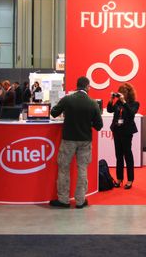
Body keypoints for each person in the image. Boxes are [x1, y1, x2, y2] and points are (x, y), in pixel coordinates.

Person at [49, 76, 103, 208]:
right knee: (82, 169)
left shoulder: (68, 99)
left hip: (68, 140)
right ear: (87, 87)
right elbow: (99, 126)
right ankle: (80, 201)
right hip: (85, 140)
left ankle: (63, 199)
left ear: (77, 86)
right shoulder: (93, 103)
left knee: (63, 168)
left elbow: (54, 112)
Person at [107, 83, 140, 189]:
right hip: (117, 131)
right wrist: (111, 100)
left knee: (128, 155)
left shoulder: (134, 103)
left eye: (124, 92)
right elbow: (109, 110)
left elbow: (131, 114)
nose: (122, 94)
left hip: (127, 132)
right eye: (120, 92)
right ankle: (119, 179)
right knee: (118, 156)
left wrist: (124, 102)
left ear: (129, 93)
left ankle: (130, 180)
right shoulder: (118, 103)